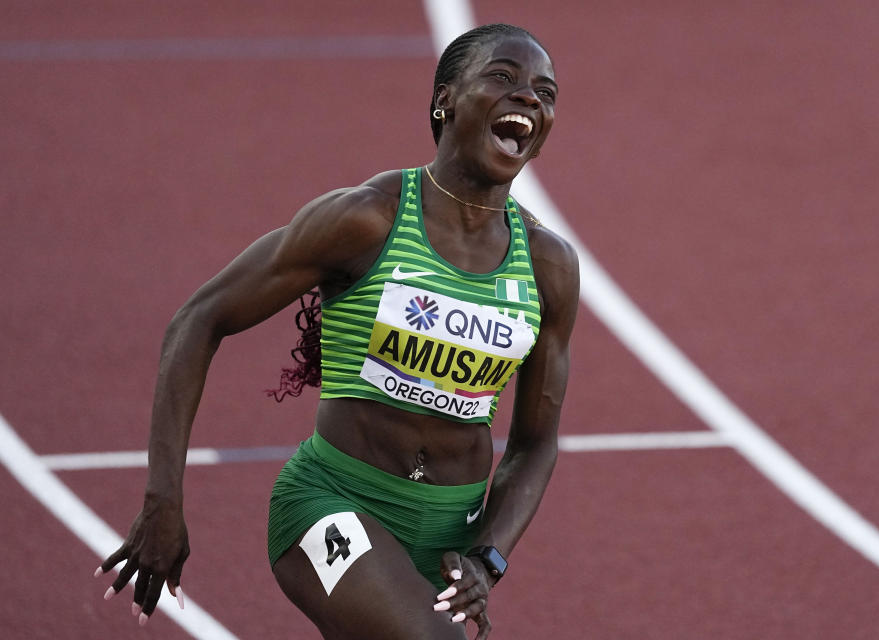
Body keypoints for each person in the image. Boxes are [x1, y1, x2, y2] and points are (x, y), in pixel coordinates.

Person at [94, 23, 578, 640]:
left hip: (450, 536)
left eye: (546, 92)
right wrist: (163, 500)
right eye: (503, 78)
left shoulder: (548, 264)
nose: (529, 99)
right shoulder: (367, 218)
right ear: (445, 99)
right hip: (331, 505)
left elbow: (536, 443)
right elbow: (198, 320)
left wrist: (489, 557)